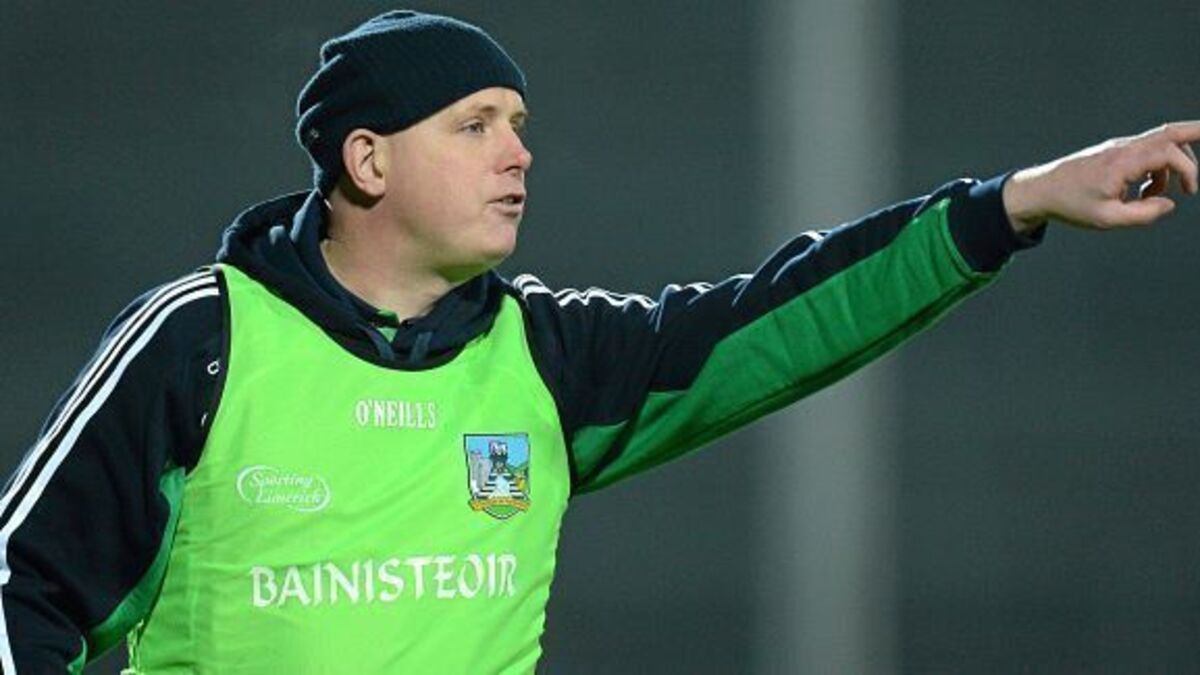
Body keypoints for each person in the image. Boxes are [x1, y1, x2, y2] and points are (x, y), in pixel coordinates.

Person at [1, 8, 1196, 674]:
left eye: (519, 124)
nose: (518, 153)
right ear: (367, 159)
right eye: (475, 124)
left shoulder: (542, 357)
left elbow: (784, 318)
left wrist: (1016, 203)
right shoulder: (202, 342)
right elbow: (23, 595)